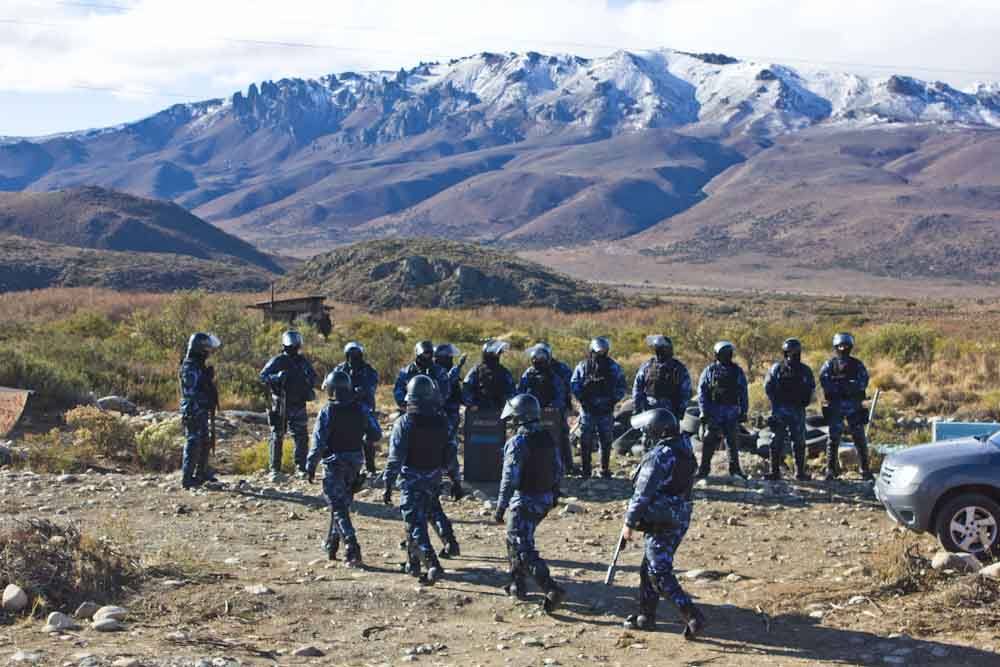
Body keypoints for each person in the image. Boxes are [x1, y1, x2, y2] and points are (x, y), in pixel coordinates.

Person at [620, 408, 705, 640]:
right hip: (679, 516)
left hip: (662, 519)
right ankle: (646, 616)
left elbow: (643, 493)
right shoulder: (683, 448)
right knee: (649, 566)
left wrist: (629, 522)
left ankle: (692, 614)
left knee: (658, 571)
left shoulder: (660, 455)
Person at [494, 394, 565, 612]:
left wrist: (500, 506)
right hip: (544, 498)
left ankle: (551, 588)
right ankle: (518, 583)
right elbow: (558, 468)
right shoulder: (546, 436)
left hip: (525, 499)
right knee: (514, 537)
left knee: (522, 546)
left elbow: (510, 478)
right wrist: (553, 494)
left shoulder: (517, 442)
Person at [305, 370, 382, 566]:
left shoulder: (328, 411)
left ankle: (351, 546)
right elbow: (375, 433)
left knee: (338, 506)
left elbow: (318, 441)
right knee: (341, 503)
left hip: (334, 463)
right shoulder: (361, 408)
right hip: (355, 462)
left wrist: (311, 464)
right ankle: (331, 544)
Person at [384, 376, 450, 585]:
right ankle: (413, 564)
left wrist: (388, 483)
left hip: (412, 479)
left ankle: (432, 565)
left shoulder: (404, 422)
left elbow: (395, 457)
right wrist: (453, 478)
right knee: (413, 520)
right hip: (433, 478)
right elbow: (450, 452)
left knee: (414, 524)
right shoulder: (442, 421)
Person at [259, 331, 318, 480]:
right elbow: (263, 376)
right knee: (277, 435)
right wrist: (276, 377)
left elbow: (313, 376)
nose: (293, 349)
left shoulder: (302, 361)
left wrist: (306, 382)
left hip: (298, 404)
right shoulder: (277, 360)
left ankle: (300, 468)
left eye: (295, 346)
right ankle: (275, 469)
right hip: (280, 404)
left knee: (301, 437)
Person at [571, 337, 628, 479]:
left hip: (605, 410)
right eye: (598, 352)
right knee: (585, 440)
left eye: (604, 352)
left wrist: (613, 401)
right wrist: (583, 400)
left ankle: (605, 469)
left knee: (606, 440)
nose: (601, 355)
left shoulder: (613, 367)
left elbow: (621, 386)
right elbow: (574, 384)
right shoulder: (583, 366)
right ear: (592, 351)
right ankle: (586, 470)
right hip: (588, 410)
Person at [819, 333, 873, 481]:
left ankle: (865, 469)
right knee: (833, 438)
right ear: (836, 347)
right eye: (840, 346)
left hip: (853, 406)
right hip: (836, 405)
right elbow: (824, 381)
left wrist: (846, 386)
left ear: (850, 347)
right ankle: (831, 469)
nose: (843, 349)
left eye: (845, 346)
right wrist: (842, 386)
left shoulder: (857, 365)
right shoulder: (830, 364)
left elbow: (863, 382)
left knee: (859, 438)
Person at [763, 338, 816, 481]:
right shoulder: (777, 368)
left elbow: (811, 387)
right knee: (776, 440)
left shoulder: (805, 370)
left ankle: (799, 473)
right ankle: (774, 472)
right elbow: (768, 386)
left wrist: (805, 401)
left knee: (799, 441)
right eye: (789, 352)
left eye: (795, 352)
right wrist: (776, 401)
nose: (791, 355)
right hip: (780, 410)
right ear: (784, 353)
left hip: (797, 410)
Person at [697, 341, 749, 480]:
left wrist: (744, 411)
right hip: (714, 411)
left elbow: (743, 392)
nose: (727, 356)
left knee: (732, 441)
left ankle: (735, 470)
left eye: (728, 353)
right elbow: (702, 392)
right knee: (709, 440)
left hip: (731, 411)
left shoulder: (737, 371)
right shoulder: (710, 371)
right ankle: (703, 470)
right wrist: (703, 411)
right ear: (717, 355)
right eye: (724, 353)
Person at [179, 332, 221, 489]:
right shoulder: (189, 366)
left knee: (205, 441)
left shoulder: (198, 366)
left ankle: (201, 473)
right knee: (193, 442)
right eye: (207, 349)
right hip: (193, 410)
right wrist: (205, 399)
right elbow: (191, 392)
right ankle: (187, 478)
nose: (209, 352)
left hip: (200, 410)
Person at [633, 335, 692, 418]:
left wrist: (681, 409)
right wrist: (637, 407)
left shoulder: (678, 368)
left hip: (670, 411)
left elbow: (686, 392)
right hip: (648, 411)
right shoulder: (647, 365)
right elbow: (638, 387)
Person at [393, 341, 450, 410]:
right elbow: (399, 389)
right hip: (411, 408)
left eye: (430, 353)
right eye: (425, 353)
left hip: (433, 409)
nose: (427, 356)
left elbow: (445, 390)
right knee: (399, 420)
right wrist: (403, 404)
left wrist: (438, 403)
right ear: (418, 354)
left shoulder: (439, 371)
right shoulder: (406, 371)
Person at [462, 340, 516, 411]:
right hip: (478, 412)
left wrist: (507, 406)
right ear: (488, 354)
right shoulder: (476, 370)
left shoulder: (504, 371)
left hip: (498, 411)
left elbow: (511, 390)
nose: (498, 356)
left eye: (499, 354)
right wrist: (471, 404)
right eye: (496, 354)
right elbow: (467, 387)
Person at [433, 343, 467, 439]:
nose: (451, 360)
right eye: (449, 357)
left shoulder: (443, 369)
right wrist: (459, 366)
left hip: (452, 410)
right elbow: (447, 381)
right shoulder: (435, 370)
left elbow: (457, 390)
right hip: (444, 411)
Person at [334, 341, 378, 414]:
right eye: (350, 354)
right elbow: (332, 380)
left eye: (356, 354)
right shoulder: (339, 369)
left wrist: (362, 390)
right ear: (347, 356)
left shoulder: (369, 370)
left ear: (360, 355)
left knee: (370, 421)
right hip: (342, 401)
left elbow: (372, 387)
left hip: (364, 403)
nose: (353, 357)